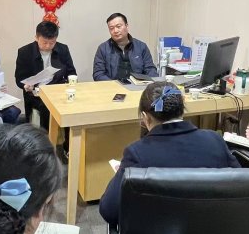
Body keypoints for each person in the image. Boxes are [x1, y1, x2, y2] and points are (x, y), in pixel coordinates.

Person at [99, 81, 240, 226]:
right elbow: (243, 189)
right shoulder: (215, 140)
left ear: (145, 117)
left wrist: (122, 174)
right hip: (212, 233)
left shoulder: (137, 153)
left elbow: (109, 210)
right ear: (182, 109)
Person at [15, 21, 76, 155]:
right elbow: (19, 78)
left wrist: (70, 83)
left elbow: (71, 72)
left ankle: (68, 147)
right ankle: (46, 148)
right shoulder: (25, 52)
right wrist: (25, 85)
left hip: (57, 91)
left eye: (52, 43)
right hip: (35, 94)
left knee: (70, 109)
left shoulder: (63, 49)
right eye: (44, 42)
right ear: (36, 37)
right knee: (46, 108)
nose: (48, 46)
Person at [93, 12, 158, 81]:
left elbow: (150, 69)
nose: (115, 31)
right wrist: (113, 84)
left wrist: (149, 83)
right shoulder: (103, 49)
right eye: (111, 28)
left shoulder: (141, 47)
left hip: (138, 85)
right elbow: (98, 74)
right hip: (113, 85)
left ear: (126, 26)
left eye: (118, 26)